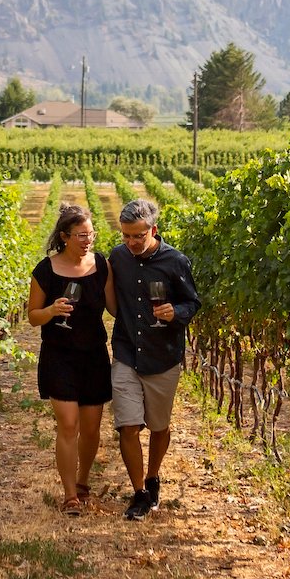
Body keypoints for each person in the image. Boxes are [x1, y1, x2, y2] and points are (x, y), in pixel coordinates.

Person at [104, 198, 200, 520]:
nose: (131, 243)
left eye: (138, 236)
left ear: (153, 230)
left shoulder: (176, 261)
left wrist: (176, 313)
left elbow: (192, 303)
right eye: (126, 236)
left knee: (159, 427)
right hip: (126, 353)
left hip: (163, 357)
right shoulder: (117, 258)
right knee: (128, 426)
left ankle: (153, 476)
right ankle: (140, 494)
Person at [26, 203, 112, 514]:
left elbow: (114, 307)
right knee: (69, 425)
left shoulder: (102, 265)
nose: (88, 240)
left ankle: (83, 482)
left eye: (91, 234)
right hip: (59, 356)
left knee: (91, 429)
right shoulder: (45, 270)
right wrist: (51, 311)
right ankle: (69, 496)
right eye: (81, 235)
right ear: (64, 237)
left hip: (94, 355)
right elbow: (33, 316)